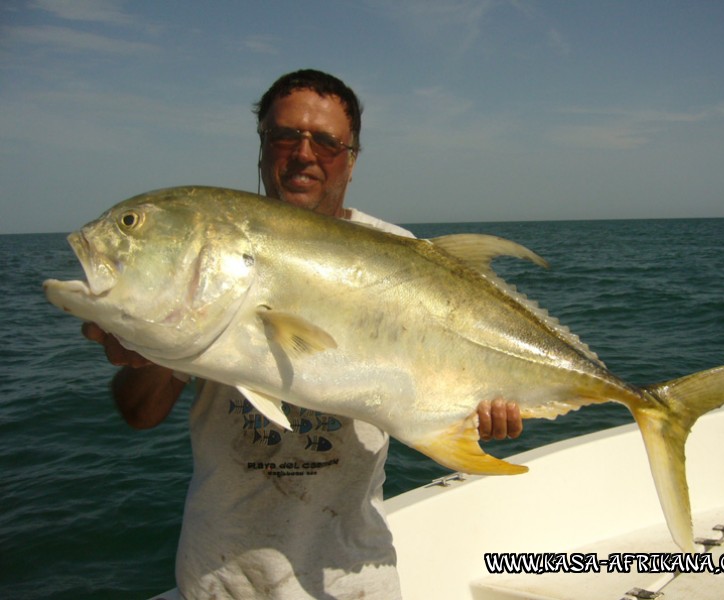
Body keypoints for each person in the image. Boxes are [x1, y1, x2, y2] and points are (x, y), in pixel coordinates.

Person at [83, 69, 523, 599]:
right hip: (220, 581)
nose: (304, 153)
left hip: (353, 579)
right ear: (263, 147)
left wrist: (477, 416)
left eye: (328, 142)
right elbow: (140, 413)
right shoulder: (220, 255)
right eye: (285, 135)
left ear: (353, 159)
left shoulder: (401, 253)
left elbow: (439, 386)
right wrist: (143, 349)